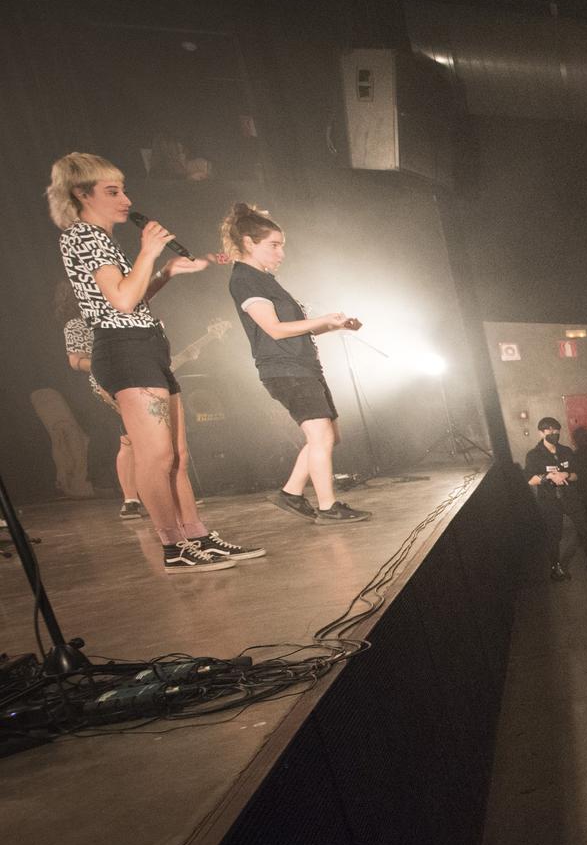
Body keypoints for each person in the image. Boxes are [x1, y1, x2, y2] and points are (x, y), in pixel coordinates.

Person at [49, 151, 255, 572]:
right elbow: (122, 302)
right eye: (112, 191)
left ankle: (196, 534)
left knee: (177, 454)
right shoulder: (83, 236)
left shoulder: (101, 239)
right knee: (156, 455)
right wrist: (148, 250)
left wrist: (166, 272)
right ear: (81, 194)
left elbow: (133, 297)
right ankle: (172, 545)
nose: (125, 198)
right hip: (123, 349)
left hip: (144, 343)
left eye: (124, 188)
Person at [217, 203, 371, 527]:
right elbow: (273, 329)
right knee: (321, 436)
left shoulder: (265, 280)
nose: (281, 253)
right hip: (284, 369)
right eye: (273, 245)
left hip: (302, 367)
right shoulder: (245, 279)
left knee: (329, 435)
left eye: (281, 245)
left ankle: (290, 492)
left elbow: (293, 327)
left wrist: (335, 325)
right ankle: (328, 508)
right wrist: (322, 319)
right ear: (248, 242)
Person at [59, 286, 139, 518]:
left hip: (135, 376)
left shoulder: (115, 315)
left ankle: (135, 499)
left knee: (131, 439)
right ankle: (132, 499)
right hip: (109, 383)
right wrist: (103, 362)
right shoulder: (76, 324)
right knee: (130, 439)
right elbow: (75, 361)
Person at [525, 417, 587, 581]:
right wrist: (548, 477)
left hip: (570, 496)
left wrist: (566, 474)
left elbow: (576, 474)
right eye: (548, 430)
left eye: (556, 430)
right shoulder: (534, 455)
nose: (553, 433)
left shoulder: (566, 451)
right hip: (549, 499)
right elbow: (530, 479)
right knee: (554, 534)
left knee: (585, 530)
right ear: (541, 433)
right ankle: (555, 568)